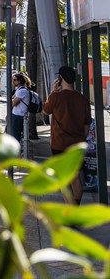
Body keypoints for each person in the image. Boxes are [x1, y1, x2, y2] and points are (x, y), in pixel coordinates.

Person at [43, 66, 92, 204]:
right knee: (76, 178)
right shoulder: (83, 99)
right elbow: (87, 124)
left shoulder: (56, 96)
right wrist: (81, 139)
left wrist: (53, 91)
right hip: (77, 144)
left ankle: (69, 209)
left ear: (60, 79)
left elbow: (46, 111)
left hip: (59, 144)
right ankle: (75, 207)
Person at [10, 72, 30, 141]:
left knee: (16, 134)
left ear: (19, 81)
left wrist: (12, 100)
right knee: (11, 132)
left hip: (19, 115)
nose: (13, 81)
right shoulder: (18, 90)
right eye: (12, 79)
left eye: (14, 80)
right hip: (15, 114)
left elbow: (13, 103)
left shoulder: (22, 91)